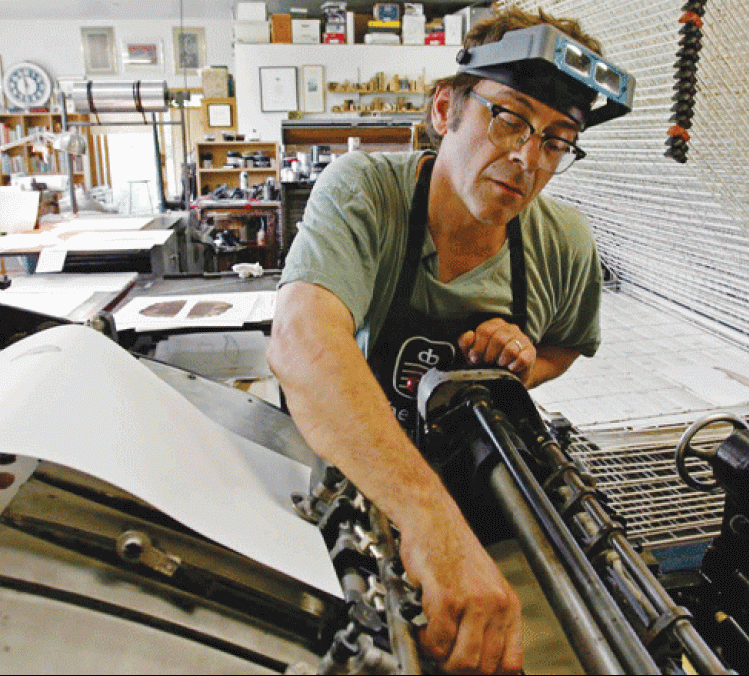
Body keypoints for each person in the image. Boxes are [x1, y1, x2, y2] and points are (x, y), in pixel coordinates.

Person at [268, 8, 632, 673]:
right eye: (509, 119)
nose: (527, 159)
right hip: (352, 496)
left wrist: (519, 363)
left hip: (479, 508)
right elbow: (301, 340)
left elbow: (566, 346)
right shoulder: (366, 194)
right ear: (445, 109)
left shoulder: (565, 245)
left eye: (556, 139)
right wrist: (429, 522)